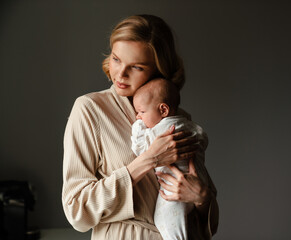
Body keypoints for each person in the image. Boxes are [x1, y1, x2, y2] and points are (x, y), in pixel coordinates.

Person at [62, 14, 219, 240]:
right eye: (116, 59)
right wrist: (149, 160)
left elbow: (209, 225)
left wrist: (201, 197)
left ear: (159, 68)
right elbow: (76, 211)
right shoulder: (90, 110)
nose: (121, 74)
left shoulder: (177, 117)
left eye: (136, 67)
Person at [131, 78, 210, 240]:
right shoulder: (188, 124)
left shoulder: (159, 131)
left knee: (165, 221)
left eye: (141, 112)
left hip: (172, 189)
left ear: (163, 110)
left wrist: (137, 127)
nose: (138, 116)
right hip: (196, 182)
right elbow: (203, 138)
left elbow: (140, 149)